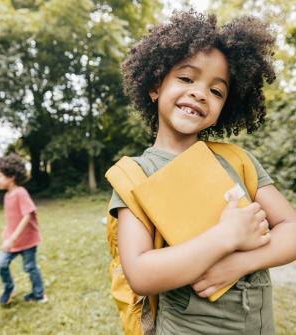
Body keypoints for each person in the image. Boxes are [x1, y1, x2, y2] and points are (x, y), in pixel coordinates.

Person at [108, 10, 296, 334]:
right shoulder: (135, 175)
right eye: (186, 78)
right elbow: (140, 273)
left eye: (217, 90)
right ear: (155, 85)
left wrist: (240, 262)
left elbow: (291, 229)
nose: (200, 92)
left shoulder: (238, 161)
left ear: (224, 108)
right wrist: (227, 236)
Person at [0, 154, 47, 305]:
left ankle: (39, 294)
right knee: (0, 264)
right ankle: (9, 288)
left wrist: (12, 238)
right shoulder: (7, 196)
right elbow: (12, 218)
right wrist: (6, 233)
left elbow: (27, 215)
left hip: (28, 240)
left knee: (30, 267)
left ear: (11, 177)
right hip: (12, 241)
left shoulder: (20, 192)